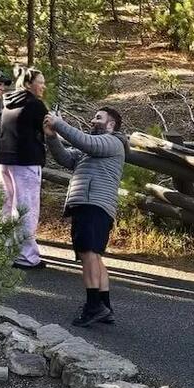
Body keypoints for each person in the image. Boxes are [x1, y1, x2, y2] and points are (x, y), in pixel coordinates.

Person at [44, 107, 125, 326]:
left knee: (88, 254)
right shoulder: (90, 150)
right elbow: (65, 159)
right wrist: (51, 137)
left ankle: (92, 307)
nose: (93, 120)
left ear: (111, 125)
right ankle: (105, 307)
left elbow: (86, 142)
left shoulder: (113, 142)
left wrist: (59, 123)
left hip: (93, 205)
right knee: (95, 256)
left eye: (99, 118)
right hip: (90, 205)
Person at [0, 66, 48, 270]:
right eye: (40, 82)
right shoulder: (35, 105)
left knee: (8, 206)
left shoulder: (8, 102)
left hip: (6, 158)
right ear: (28, 84)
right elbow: (48, 129)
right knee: (27, 208)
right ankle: (27, 255)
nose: (43, 86)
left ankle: (6, 248)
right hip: (26, 160)